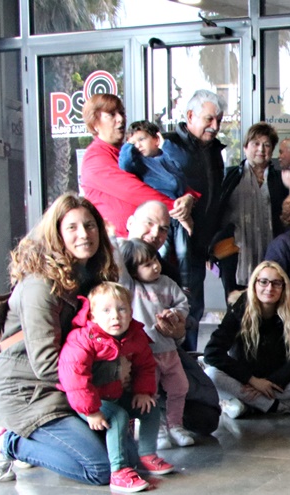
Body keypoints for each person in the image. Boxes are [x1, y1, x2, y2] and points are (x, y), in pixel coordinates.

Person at [0, 194, 118, 486]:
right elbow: (47, 365)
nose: (84, 234)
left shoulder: (89, 276)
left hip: (69, 387)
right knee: (99, 469)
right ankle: (6, 440)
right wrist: (112, 371)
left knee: (122, 456)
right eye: (72, 227)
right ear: (57, 234)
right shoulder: (39, 285)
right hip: (27, 391)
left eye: (90, 226)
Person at [123, 201, 222, 438]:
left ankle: (169, 420)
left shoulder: (167, 274)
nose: (156, 234)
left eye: (164, 228)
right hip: (118, 353)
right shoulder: (111, 265)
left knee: (206, 416)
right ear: (130, 223)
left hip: (163, 349)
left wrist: (177, 329)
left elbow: (182, 323)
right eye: (149, 224)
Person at [57, 284, 160, 493]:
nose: (115, 316)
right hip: (89, 403)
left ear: (131, 312)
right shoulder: (82, 338)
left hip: (115, 394)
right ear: (92, 316)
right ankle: (119, 472)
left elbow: (146, 365)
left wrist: (142, 391)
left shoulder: (135, 335)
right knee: (117, 416)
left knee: (151, 408)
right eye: (106, 311)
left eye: (122, 309)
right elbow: (75, 378)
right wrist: (91, 410)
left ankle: (147, 454)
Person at [203, 261, 290, 417]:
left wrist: (273, 381)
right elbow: (212, 352)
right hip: (245, 381)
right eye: (263, 282)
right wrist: (252, 380)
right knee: (211, 374)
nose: (269, 288)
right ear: (254, 284)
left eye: (276, 283)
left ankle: (249, 406)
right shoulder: (239, 310)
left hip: (276, 383)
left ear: (283, 288)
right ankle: (281, 407)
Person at [161, 89, 227, 351]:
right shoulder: (168, 146)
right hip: (172, 244)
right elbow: (157, 190)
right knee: (171, 306)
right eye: (209, 119)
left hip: (200, 244)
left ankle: (186, 366)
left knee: (193, 307)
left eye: (219, 121)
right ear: (190, 115)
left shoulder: (213, 151)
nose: (215, 126)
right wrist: (187, 197)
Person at [78, 94, 193, 239]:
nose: (120, 119)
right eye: (111, 114)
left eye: (121, 112)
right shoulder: (95, 159)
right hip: (123, 248)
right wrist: (178, 211)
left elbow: (165, 175)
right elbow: (135, 191)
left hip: (152, 240)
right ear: (95, 123)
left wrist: (189, 197)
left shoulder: (131, 150)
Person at [119, 239, 193, 448]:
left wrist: (176, 314)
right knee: (150, 391)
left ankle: (175, 425)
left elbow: (182, 303)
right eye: (147, 264)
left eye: (155, 260)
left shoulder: (167, 283)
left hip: (169, 349)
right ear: (133, 271)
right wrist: (114, 238)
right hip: (146, 354)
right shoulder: (131, 287)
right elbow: (119, 268)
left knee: (180, 386)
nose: (155, 266)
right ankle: (156, 429)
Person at [214, 122, 289, 300]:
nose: (261, 149)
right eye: (256, 143)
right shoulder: (229, 176)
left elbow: (286, 217)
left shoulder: (281, 180)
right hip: (235, 252)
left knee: (269, 304)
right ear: (246, 147)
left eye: (267, 145)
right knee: (237, 305)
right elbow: (214, 212)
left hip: (271, 251)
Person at [119, 120, 196, 234]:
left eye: (141, 139)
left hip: (180, 208)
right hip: (157, 215)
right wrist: (128, 145)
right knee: (163, 248)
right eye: (134, 143)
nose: (138, 145)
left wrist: (165, 144)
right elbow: (125, 163)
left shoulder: (167, 154)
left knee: (183, 249)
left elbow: (185, 162)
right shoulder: (140, 163)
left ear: (156, 139)